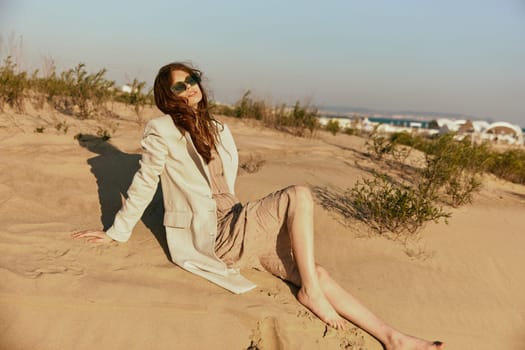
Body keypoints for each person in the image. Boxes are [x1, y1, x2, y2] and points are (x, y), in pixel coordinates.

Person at [73, 62, 444, 350]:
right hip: (214, 234)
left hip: (238, 222)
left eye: (193, 79)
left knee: (317, 271)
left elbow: (222, 184)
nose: (191, 87)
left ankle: (394, 338)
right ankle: (310, 293)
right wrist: (116, 232)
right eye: (180, 85)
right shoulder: (161, 130)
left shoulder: (216, 128)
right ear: (167, 96)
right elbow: (144, 181)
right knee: (298, 194)